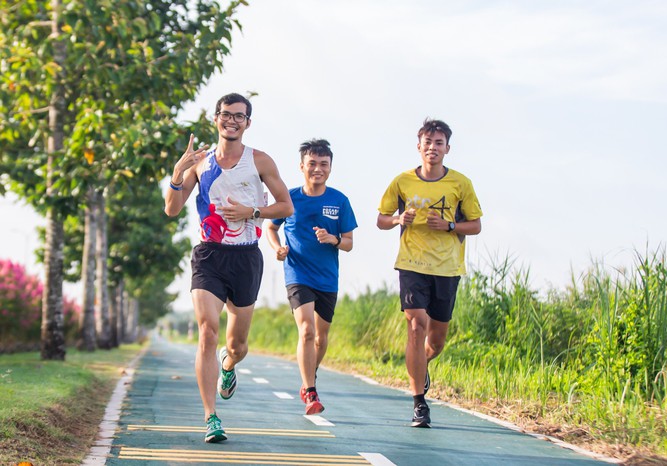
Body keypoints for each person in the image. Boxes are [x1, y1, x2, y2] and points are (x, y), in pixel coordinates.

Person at [164, 92, 293, 443]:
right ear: (216, 118)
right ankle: (210, 417)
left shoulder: (260, 161)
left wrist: (252, 213)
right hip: (209, 255)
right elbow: (172, 209)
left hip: (246, 257)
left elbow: (286, 207)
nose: (232, 120)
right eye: (226, 114)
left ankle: (229, 364)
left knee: (237, 346)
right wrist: (177, 173)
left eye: (239, 116)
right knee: (207, 330)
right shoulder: (199, 163)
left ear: (247, 123)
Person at [377, 118, 482, 428]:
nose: (433, 147)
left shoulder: (460, 184)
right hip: (412, 264)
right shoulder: (402, 182)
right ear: (419, 146)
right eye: (428, 142)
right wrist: (399, 220)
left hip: (448, 268)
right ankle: (419, 403)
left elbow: (475, 225)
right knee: (415, 324)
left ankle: (420, 364)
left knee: (435, 342)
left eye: (439, 143)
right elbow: (381, 219)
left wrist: (449, 225)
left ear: (447, 148)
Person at [266, 139, 357, 415]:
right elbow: (270, 227)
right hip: (297, 273)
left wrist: (333, 239)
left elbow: (349, 242)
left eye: (323, 164)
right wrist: (278, 249)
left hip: (327, 278)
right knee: (306, 330)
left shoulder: (339, 200)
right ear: (302, 166)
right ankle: (310, 391)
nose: (318, 169)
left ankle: (310, 374)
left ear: (330, 168)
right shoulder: (290, 197)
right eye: (312, 164)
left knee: (320, 338)